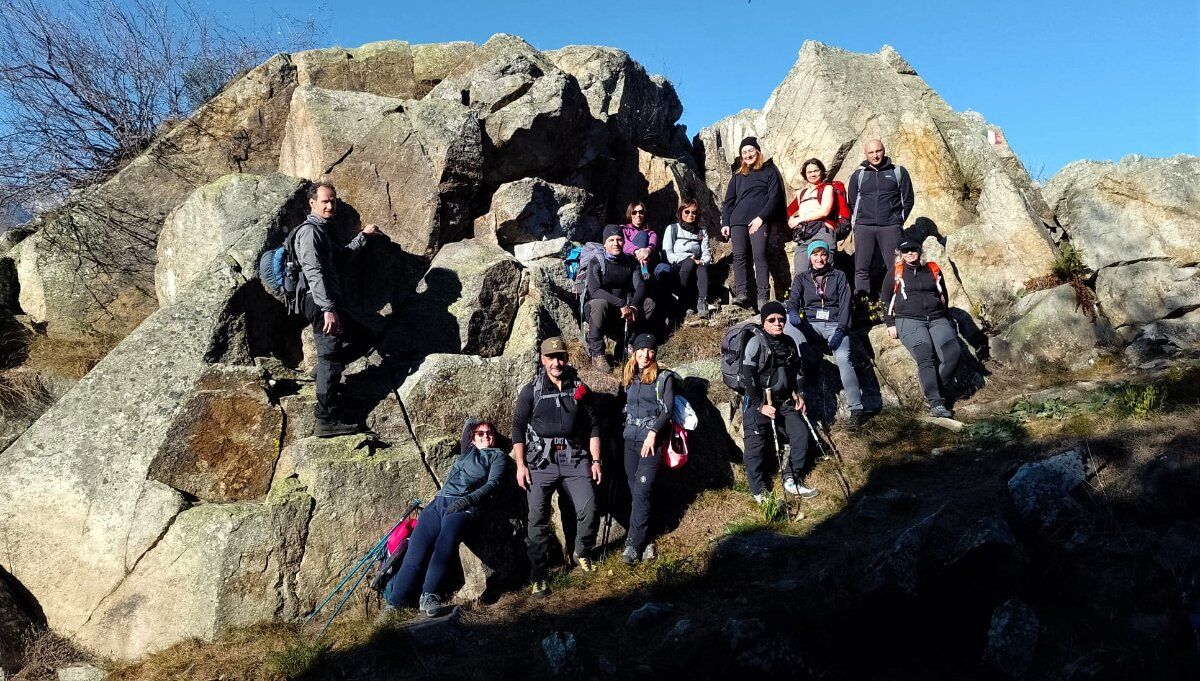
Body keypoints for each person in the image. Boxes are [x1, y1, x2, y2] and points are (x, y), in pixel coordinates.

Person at [384, 419, 506, 616]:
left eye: (490, 432)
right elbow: (468, 425)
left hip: (464, 507)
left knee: (444, 545)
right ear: (473, 439)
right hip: (438, 503)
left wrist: (466, 502)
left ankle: (430, 595)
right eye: (480, 433)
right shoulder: (467, 452)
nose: (486, 436)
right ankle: (395, 603)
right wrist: (474, 426)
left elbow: (493, 485)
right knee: (415, 552)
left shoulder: (497, 456)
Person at [513, 337, 603, 598]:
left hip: (575, 459)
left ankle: (582, 552)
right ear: (542, 360)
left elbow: (594, 427)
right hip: (541, 462)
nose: (556, 362)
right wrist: (521, 465)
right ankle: (539, 575)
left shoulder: (579, 388)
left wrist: (596, 461)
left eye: (560, 356)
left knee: (589, 509)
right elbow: (518, 427)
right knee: (537, 518)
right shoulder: (531, 390)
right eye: (551, 357)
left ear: (566, 358)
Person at [293, 181, 385, 437]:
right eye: (324, 201)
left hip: (328, 301)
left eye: (332, 200)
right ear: (312, 203)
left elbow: (341, 258)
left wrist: (363, 237)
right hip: (320, 301)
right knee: (330, 356)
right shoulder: (309, 232)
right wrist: (327, 308)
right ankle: (326, 419)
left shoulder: (322, 231)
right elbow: (313, 272)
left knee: (365, 336)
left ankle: (324, 372)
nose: (330, 205)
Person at [785, 240, 867, 427]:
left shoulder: (839, 276)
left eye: (823, 254)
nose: (819, 258)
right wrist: (793, 313)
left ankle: (856, 408)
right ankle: (800, 386)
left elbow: (846, 305)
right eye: (815, 254)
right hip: (811, 325)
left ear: (828, 256)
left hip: (834, 325)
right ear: (810, 257)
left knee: (844, 359)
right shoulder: (801, 278)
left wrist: (840, 330)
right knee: (788, 325)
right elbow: (792, 302)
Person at [741, 302, 817, 502]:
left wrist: (798, 396)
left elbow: (795, 373)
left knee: (801, 434)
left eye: (781, 319)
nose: (778, 323)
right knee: (754, 447)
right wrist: (760, 405)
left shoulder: (789, 342)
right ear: (764, 321)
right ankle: (759, 491)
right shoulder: (756, 343)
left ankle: (791, 478)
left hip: (784, 402)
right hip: (759, 403)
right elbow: (747, 376)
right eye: (772, 320)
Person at [881, 239, 960, 419]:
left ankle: (934, 390)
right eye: (905, 251)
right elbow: (886, 298)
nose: (910, 253)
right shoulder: (895, 272)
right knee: (925, 354)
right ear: (900, 254)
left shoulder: (932, 269)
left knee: (953, 353)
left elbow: (943, 295)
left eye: (913, 249)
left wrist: (945, 318)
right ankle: (936, 402)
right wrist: (890, 323)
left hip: (936, 318)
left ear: (920, 250)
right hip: (908, 319)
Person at [619, 333, 674, 565]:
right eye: (641, 350)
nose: (645, 355)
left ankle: (633, 545)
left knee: (642, 490)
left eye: (650, 351)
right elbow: (619, 407)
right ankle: (648, 536)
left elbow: (668, 409)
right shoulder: (628, 378)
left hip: (652, 442)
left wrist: (653, 433)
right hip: (629, 440)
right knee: (635, 492)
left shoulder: (664, 378)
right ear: (634, 352)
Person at [721, 136, 786, 310]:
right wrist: (725, 222)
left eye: (750, 150)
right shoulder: (737, 177)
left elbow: (775, 197)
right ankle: (742, 294)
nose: (748, 155)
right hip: (737, 221)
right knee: (739, 256)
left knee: (759, 255)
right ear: (741, 156)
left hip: (759, 219)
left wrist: (761, 218)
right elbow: (729, 201)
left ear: (757, 151)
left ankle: (763, 296)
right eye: (744, 152)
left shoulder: (769, 171)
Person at [847, 139, 915, 298]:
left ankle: (898, 300)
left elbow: (908, 199)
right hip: (864, 226)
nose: (875, 155)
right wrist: (859, 220)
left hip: (890, 226)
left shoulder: (898, 172)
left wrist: (898, 220)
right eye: (871, 152)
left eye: (878, 151)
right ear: (865, 154)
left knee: (896, 266)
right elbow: (852, 201)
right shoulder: (859, 175)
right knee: (861, 267)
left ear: (884, 151)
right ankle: (864, 302)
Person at [584, 225, 653, 371]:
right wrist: (620, 303)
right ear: (605, 243)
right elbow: (595, 290)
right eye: (611, 240)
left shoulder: (630, 262)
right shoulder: (596, 262)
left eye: (619, 239)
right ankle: (597, 353)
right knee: (599, 303)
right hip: (601, 310)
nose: (616, 243)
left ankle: (626, 343)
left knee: (648, 303)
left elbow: (640, 286)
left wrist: (633, 306)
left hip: (624, 311)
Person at [662, 199, 712, 319]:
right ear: (680, 213)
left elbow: (706, 251)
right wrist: (687, 257)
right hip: (677, 264)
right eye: (687, 211)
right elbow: (667, 253)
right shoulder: (672, 229)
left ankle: (702, 302)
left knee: (702, 267)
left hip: (695, 263)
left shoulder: (701, 232)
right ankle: (682, 300)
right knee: (689, 263)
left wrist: (702, 261)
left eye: (694, 212)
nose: (690, 215)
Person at [787, 158, 837, 275]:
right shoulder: (802, 193)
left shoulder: (827, 188)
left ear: (821, 172)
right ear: (805, 174)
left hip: (822, 231)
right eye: (809, 172)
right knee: (801, 273)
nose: (813, 174)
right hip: (804, 234)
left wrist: (799, 219)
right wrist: (791, 220)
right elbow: (789, 210)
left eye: (816, 171)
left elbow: (824, 211)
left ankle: (827, 293)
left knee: (824, 272)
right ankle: (806, 293)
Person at [621, 201, 658, 272]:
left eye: (641, 212)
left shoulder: (651, 233)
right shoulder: (624, 229)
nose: (638, 215)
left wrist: (647, 250)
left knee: (643, 234)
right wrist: (637, 251)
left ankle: (643, 271)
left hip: (647, 260)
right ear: (630, 214)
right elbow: (624, 244)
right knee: (642, 234)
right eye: (634, 212)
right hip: (629, 260)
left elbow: (652, 244)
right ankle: (644, 272)